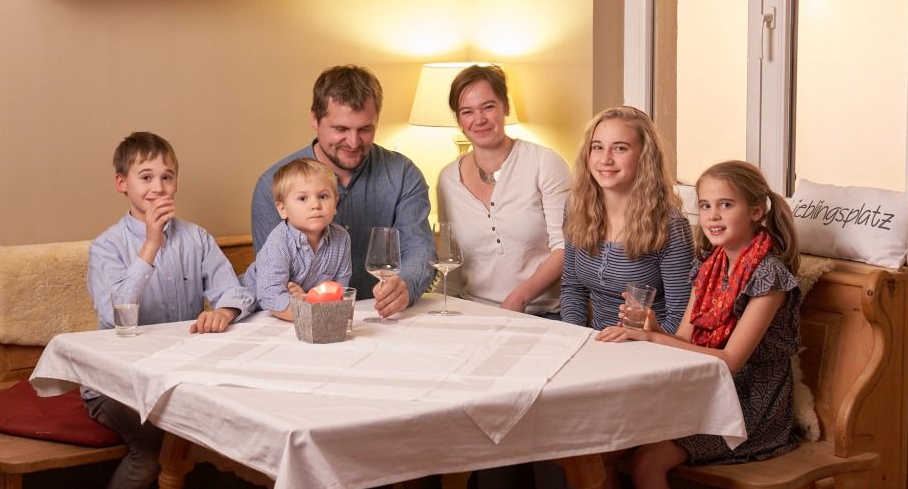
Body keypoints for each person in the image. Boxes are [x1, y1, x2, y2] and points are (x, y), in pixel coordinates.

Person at [598, 160, 802, 489]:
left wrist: (652, 338)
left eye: (726, 205)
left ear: (756, 211)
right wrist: (654, 327)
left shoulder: (769, 277)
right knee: (602, 450)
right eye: (705, 206)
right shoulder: (709, 266)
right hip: (701, 391)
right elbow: (684, 342)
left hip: (750, 407)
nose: (712, 216)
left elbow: (730, 362)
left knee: (648, 464)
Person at [85, 132, 255, 489]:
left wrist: (224, 311)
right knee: (150, 454)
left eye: (167, 176)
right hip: (115, 384)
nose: (158, 187)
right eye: (145, 177)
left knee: (228, 438)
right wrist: (150, 245)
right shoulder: (107, 246)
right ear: (122, 184)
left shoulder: (197, 239)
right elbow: (114, 316)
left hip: (180, 377)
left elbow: (236, 290)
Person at [251, 65, 435, 319]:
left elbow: (420, 249)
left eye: (365, 129)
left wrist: (405, 284)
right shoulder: (270, 186)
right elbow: (272, 280)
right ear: (315, 119)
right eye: (341, 129)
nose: (353, 142)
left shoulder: (404, 175)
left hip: (385, 319)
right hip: (300, 324)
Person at [437, 64, 571, 317]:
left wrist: (519, 298)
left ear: (505, 107)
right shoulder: (447, 179)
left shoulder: (545, 163)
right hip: (472, 313)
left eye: (488, 107)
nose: (479, 120)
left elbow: (565, 249)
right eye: (467, 112)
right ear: (458, 120)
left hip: (540, 314)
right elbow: (451, 265)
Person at [560, 106, 693, 333]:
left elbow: (680, 318)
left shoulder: (669, 224)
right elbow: (572, 288)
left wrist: (636, 341)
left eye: (620, 148)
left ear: (644, 156)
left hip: (652, 348)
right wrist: (573, 336)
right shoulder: (576, 206)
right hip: (595, 341)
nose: (605, 159)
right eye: (597, 147)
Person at [243, 158, 351, 321]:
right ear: (283, 209)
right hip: (255, 311)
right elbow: (271, 297)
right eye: (302, 198)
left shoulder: (341, 238)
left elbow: (339, 291)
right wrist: (310, 307)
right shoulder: (279, 242)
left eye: (323, 196)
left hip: (302, 312)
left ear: (335, 204)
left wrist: (306, 299)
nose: (315, 205)